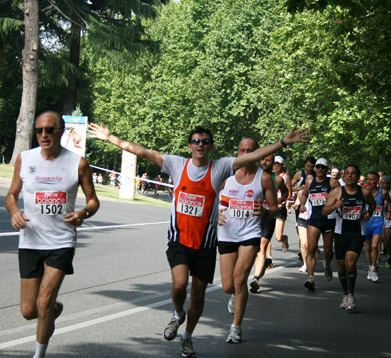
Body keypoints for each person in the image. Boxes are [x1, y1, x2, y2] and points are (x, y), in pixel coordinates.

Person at [87, 122, 309, 358]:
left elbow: (254, 156)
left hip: (206, 244)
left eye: (205, 142)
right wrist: (110, 138)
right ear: (189, 146)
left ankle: (188, 337)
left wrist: (284, 142)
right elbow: (142, 151)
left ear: (211, 147)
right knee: (180, 284)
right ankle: (177, 314)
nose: (200, 145)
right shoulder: (176, 164)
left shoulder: (221, 167)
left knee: (200, 295)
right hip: (180, 239)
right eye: (196, 141)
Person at [5, 111, 100, 358]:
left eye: (49, 129)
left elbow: (92, 200)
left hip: (61, 241)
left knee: (43, 301)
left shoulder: (78, 163)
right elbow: (11, 195)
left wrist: (83, 213)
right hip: (30, 240)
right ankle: (52, 311)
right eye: (39, 130)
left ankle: (39, 354)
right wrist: (14, 211)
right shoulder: (25, 159)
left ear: (61, 130)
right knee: (29, 310)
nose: (44, 135)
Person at [217, 138, 278, 343]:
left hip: (250, 234)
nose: (245, 153)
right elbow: (210, 196)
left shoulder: (264, 178)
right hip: (226, 233)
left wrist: (266, 211)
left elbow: (275, 208)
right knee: (228, 286)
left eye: (250, 150)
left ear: (257, 152)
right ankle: (234, 294)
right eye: (241, 150)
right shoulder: (226, 173)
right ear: (238, 152)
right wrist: (213, 213)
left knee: (239, 278)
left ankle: (235, 327)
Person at [322, 164, 376, 311]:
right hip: (340, 233)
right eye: (347, 174)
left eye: (353, 174)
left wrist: (368, 213)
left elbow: (373, 204)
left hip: (358, 233)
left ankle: (351, 294)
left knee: (350, 264)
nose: (350, 176)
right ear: (344, 177)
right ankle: (345, 294)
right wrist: (334, 206)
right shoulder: (337, 192)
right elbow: (324, 211)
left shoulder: (364, 192)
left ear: (358, 177)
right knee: (341, 266)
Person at [249, 154, 288, 293]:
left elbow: (286, 192)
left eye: (268, 160)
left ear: (273, 163)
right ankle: (263, 264)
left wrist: (280, 200)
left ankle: (255, 278)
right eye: (263, 159)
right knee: (251, 248)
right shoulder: (252, 176)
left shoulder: (277, 179)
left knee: (261, 247)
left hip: (268, 216)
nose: (265, 162)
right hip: (252, 217)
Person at [299, 158, 340, 290]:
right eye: (318, 167)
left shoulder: (332, 182)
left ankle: (327, 264)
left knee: (328, 251)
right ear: (315, 168)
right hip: (314, 219)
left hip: (328, 219)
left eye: (323, 167)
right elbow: (304, 194)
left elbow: (341, 195)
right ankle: (310, 278)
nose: (320, 169)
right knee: (311, 248)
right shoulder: (310, 180)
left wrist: (333, 198)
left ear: (327, 169)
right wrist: (302, 204)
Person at [363, 171, 391, 282]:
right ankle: (370, 267)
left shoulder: (383, 192)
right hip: (366, 222)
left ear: (377, 181)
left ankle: (373, 268)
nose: (369, 181)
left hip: (378, 222)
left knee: (374, 245)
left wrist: (389, 211)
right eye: (368, 179)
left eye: (372, 179)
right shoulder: (364, 192)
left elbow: (390, 202)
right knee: (367, 247)